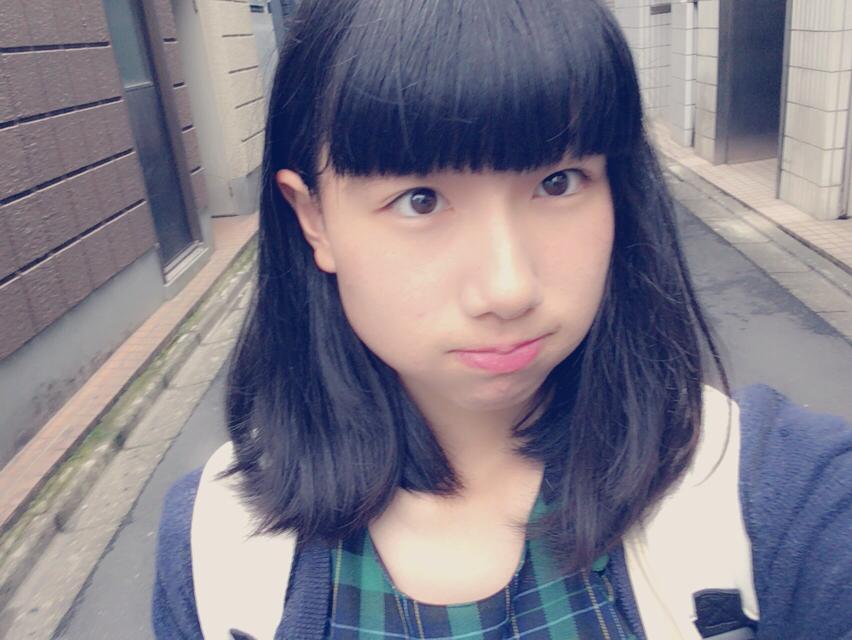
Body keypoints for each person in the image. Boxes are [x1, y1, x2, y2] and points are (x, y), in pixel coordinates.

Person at [152, 1, 852, 638]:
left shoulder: (775, 494)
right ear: (314, 219)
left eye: (558, 182)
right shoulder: (219, 551)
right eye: (421, 199)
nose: (508, 288)